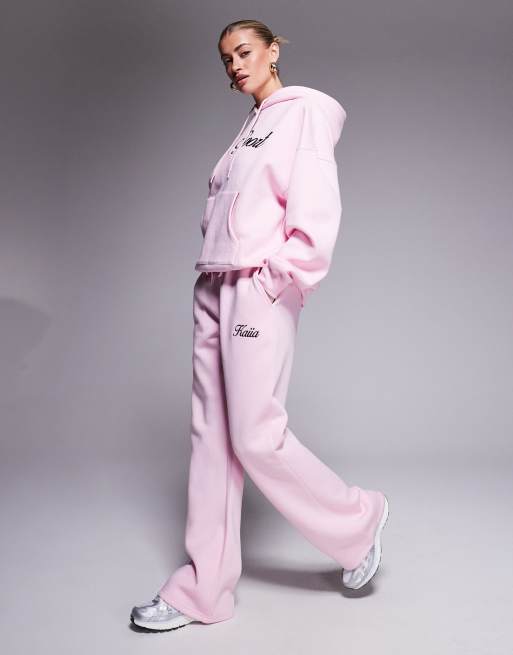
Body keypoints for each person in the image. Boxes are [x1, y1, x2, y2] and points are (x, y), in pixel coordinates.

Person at [130, 19, 389, 633]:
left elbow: (316, 208)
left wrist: (277, 279)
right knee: (212, 442)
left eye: (245, 52)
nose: (235, 65)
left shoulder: (303, 113)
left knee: (255, 436)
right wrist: (215, 278)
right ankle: (203, 591)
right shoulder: (249, 128)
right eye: (226, 59)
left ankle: (358, 522)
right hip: (214, 285)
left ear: (273, 51)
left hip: (256, 288)